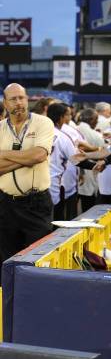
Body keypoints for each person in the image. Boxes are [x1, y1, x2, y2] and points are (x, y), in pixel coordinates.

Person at [0, 84, 54, 264]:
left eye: (22, 98)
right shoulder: (0, 129)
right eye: (13, 99)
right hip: (6, 204)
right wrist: (25, 158)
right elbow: (32, 156)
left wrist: (4, 154)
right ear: (5, 104)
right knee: (7, 260)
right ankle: (9, 293)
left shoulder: (42, 122)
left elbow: (39, 155)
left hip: (36, 204)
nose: (19, 103)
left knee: (37, 260)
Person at [76, 108, 106, 212]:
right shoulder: (95, 135)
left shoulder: (73, 129)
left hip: (74, 174)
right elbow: (103, 154)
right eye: (96, 119)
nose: (97, 122)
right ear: (92, 119)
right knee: (88, 210)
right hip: (90, 173)